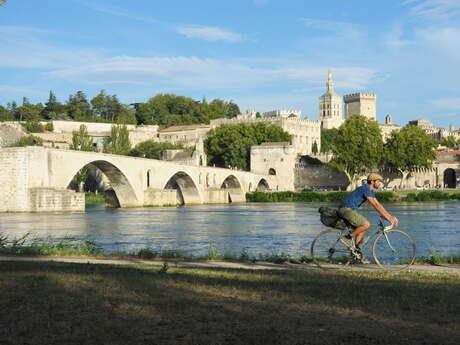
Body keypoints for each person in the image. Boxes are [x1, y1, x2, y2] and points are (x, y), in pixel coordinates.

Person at [338, 173, 398, 256]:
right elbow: (375, 205)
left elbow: (379, 204)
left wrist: (389, 216)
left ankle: (356, 254)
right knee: (366, 224)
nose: (380, 183)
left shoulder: (370, 191)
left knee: (362, 229)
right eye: (378, 181)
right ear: (372, 182)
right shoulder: (366, 189)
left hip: (349, 210)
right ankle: (347, 238)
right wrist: (388, 218)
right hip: (345, 209)